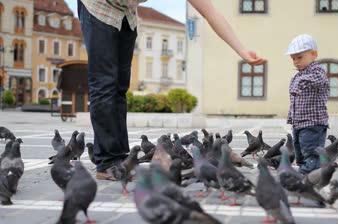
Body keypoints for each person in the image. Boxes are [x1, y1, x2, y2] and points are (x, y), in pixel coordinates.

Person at [77, 0, 266, 180]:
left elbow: (211, 13)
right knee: (104, 84)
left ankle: (120, 158)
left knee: (119, 87)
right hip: (98, 7)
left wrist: (241, 51)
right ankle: (108, 162)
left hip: (125, 13)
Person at [286, 34, 329, 174]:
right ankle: (304, 171)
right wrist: (291, 118)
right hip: (299, 124)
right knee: (299, 152)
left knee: (311, 153)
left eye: (299, 57)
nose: (296, 62)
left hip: (313, 124)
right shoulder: (299, 74)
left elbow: (318, 79)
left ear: (313, 54)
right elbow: (295, 101)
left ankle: (309, 174)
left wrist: (299, 82)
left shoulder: (317, 71)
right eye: (293, 59)